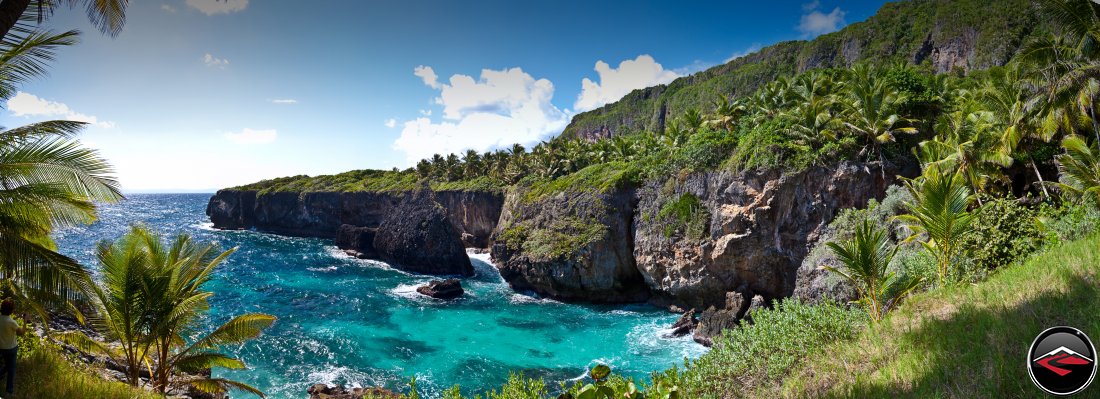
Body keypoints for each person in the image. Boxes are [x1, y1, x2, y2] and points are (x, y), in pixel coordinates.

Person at [0, 299, 25, 396]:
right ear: (11, 310)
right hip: (11, 349)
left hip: (1, 348)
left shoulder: (6, 320)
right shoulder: (11, 322)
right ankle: (9, 391)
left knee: (6, 366)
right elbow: (21, 333)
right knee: (11, 369)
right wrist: (25, 321)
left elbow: (6, 322)